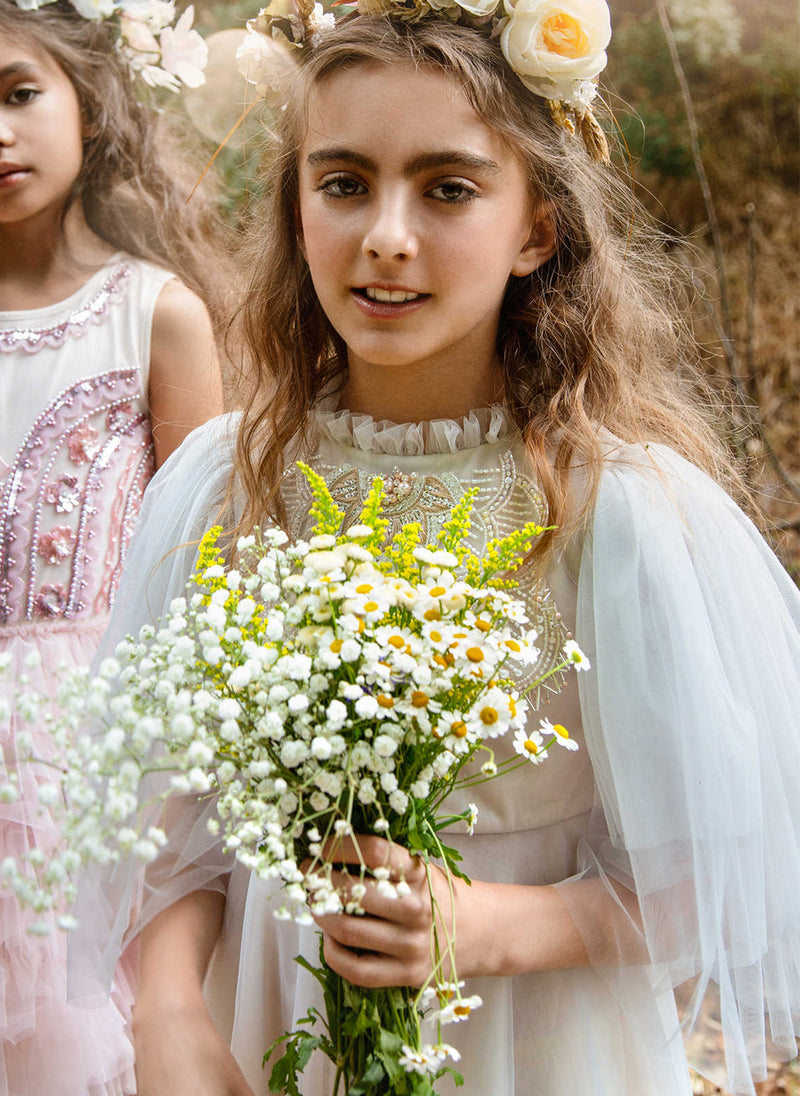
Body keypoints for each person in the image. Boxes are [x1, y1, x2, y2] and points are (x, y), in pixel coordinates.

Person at [82, 3, 800, 1095]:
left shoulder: (618, 515)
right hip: (271, 1028)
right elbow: (178, 823)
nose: (385, 234)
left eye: (447, 187)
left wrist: (486, 925)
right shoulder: (225, 485)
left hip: (529, 1040)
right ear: (297, 207)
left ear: (537, 228)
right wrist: (170, 1009)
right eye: (343, 182)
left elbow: (722, 868)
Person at [0, 1, 225, 1092]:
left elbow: (205, 583)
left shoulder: (155, 314)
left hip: (88, 755)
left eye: (17, 92)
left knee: (77, 1036)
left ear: (90, 101)